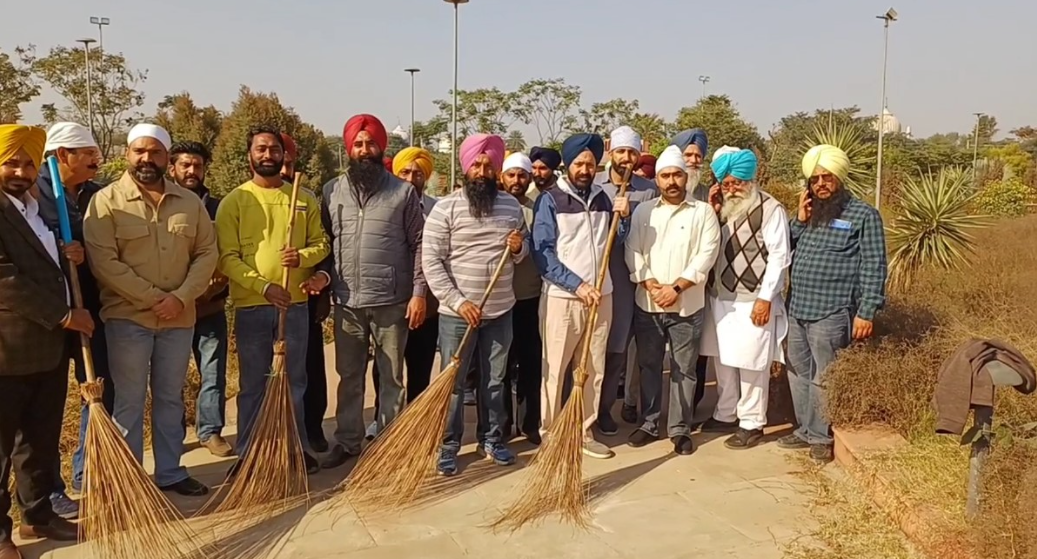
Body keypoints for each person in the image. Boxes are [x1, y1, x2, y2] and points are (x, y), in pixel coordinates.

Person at [84, 123, 217, 497]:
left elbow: (207, 253)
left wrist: (181, 297)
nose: (147, 158)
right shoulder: (107, 201)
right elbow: (104, 262)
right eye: (139, 151)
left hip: (179, 318)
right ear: (127, 154)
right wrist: (153, 298)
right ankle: (129, 482)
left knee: (171, 397)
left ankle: (171, 472)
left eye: (155, 152)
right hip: (129, 319)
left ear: (166, 158)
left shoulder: (189, 203)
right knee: (128, 400)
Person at [215, 126, 329, 475]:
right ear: (249, 154)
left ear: (284, 155)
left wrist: (303, 257)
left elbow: (322, 244)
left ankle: (293, 448)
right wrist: (263, 286)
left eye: (274, 149)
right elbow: (227, 257)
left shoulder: (302, 198)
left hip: (294, 306)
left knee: (294, 381)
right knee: (253, 384)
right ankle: (249, 453)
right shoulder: (235, 201)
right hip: (253, 306)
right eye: (261, 149)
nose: (268, 155)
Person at [320, 114, 427, 469]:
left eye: (371, 144)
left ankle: (389, 440)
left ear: (382, 147)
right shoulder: (331, 190)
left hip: (392, 300)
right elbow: (325, 242)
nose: (364, 150)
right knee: (349, 376)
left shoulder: (403, 192)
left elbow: (419, 243)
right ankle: (348, 440)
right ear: (348, 149)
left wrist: (418, 293)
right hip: (347, 300)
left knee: (392, 375)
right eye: (358, 144)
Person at [422, 133, 529, 476]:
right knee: (452, 384)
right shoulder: (445, 208)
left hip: (500, 311)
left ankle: (492, 439)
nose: (482, 172)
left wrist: (517, 249)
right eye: (477, 165)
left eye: (489, 166)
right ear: (465, 168)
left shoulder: (512, 207)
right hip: (457, 315)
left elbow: (521, 256)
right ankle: (448, 444)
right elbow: (432, 263)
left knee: (495, 381)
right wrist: (458, 302)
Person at [0, 125, 83, 558]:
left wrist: (69, 255)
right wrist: (65, 314)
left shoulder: (39, 209)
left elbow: (45, 267)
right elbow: (5, 280)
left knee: (39, 439)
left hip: (48, 348)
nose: (20, 170)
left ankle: (37, 516)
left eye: (28, 163)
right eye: (11, 162)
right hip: (7, 349)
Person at [779, 144, 887, 463]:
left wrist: (867, 311)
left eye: (827, 177)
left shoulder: (864, 215)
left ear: (839, 177)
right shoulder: (809, 213)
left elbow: (874, 265)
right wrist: (799, 219)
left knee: (824, 376)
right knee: (797, 371)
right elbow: (782, 246)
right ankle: (803, 430)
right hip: (797, 306)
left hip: (833, 310)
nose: (821, 184)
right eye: (815, 179)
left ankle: (820, 436)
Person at [532, 132, 630, 460]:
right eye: (579, 163)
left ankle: (583, 430)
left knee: (592, 368)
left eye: (590, 163)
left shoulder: (604, 197)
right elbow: (543, 254)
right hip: (564, 298)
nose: (585, 169)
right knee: (556, 369)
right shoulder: (551, 199)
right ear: (568, 165)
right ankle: (549, 433)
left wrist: (624, 217)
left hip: (602, 296)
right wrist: (578, 285)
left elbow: (615, 241)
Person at [624, 146, 719, 455]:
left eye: (677, 174)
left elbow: (706, 255)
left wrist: (675, 289)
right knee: (649, 365)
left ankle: (680, 428)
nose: (672, 181)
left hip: (687, 304)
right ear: (657, 180)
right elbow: (632, 250)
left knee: (684, 369)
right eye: (665, 176)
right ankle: (649, 423)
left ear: (686, 177)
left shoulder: (702, 211)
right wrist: (651, 284)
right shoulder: (643, 211)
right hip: (648, 303)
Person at [35, 122, 105, 518]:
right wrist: (63, 254)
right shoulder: (35, 193)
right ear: (63, 155)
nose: (96, 160)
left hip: (92, 309)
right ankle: (49, 490)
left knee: (94, 390)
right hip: (51, 318)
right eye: (88, 154)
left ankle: (88, 470)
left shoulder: (94, 193)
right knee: (47, 407)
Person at [699, 147, 790, 450]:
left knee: (752, 364)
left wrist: (766, 298)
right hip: (720, 297)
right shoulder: (719, 207)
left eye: (738, 182)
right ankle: (725, 413)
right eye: (727, 183)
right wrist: (712, 209)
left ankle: (751, 422)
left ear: (751, 178)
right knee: (723, 359)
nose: (733, 188)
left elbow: (779, 257)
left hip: (753, 300)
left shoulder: (770, 208)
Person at [361, 147, 441, 440]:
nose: (411, 178)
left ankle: (416, 423)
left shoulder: (436, 209)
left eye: (417, 173)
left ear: (426, 177)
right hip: (390, 298)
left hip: (426, 301)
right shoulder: (382, 205)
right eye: (405, 172)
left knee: (420, 365)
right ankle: (381, 420)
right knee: (386, 367)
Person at [168, 141, 233, 459]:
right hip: (172, 309)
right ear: (173, 169)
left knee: (213, 371)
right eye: (185, 165)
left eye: (197, 166)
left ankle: (210, 431)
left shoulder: (218, 207)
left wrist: (212, 286)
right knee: (172, 375)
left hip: (210, 306)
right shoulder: (162, 205)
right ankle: (173, 433)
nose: (192, 171)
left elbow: (226, 253)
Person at [595, 126, 658, 437]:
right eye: (621, 152)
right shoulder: (594, 187)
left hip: (636, 282)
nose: (627, 158)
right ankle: (594, 410)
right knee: (603, 350)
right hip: (603, 279)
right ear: (611, 151)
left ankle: (622, 410)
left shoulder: (649, 190)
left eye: (632, 152)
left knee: (631, 351)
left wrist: (631, 215)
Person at [278, 133, 333, 454]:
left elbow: (324, 246)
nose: (284, 169)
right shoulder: (246, 198)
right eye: (279, 162)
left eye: (289, 162)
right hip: (262, 300)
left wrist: (320, 281)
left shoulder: (307, 199)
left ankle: (312, 428)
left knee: (310, 368)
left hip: (304, 300)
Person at [499, 152, 542, 444]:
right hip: (499, 301)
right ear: (502, 176)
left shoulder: (539, 209)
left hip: (529, 296)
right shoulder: (493, 208)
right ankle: (500, 426)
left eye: (522, 175)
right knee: (499, 367)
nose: (516, 180)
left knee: (530, 364)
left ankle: (530, 424)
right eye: (511, 174)